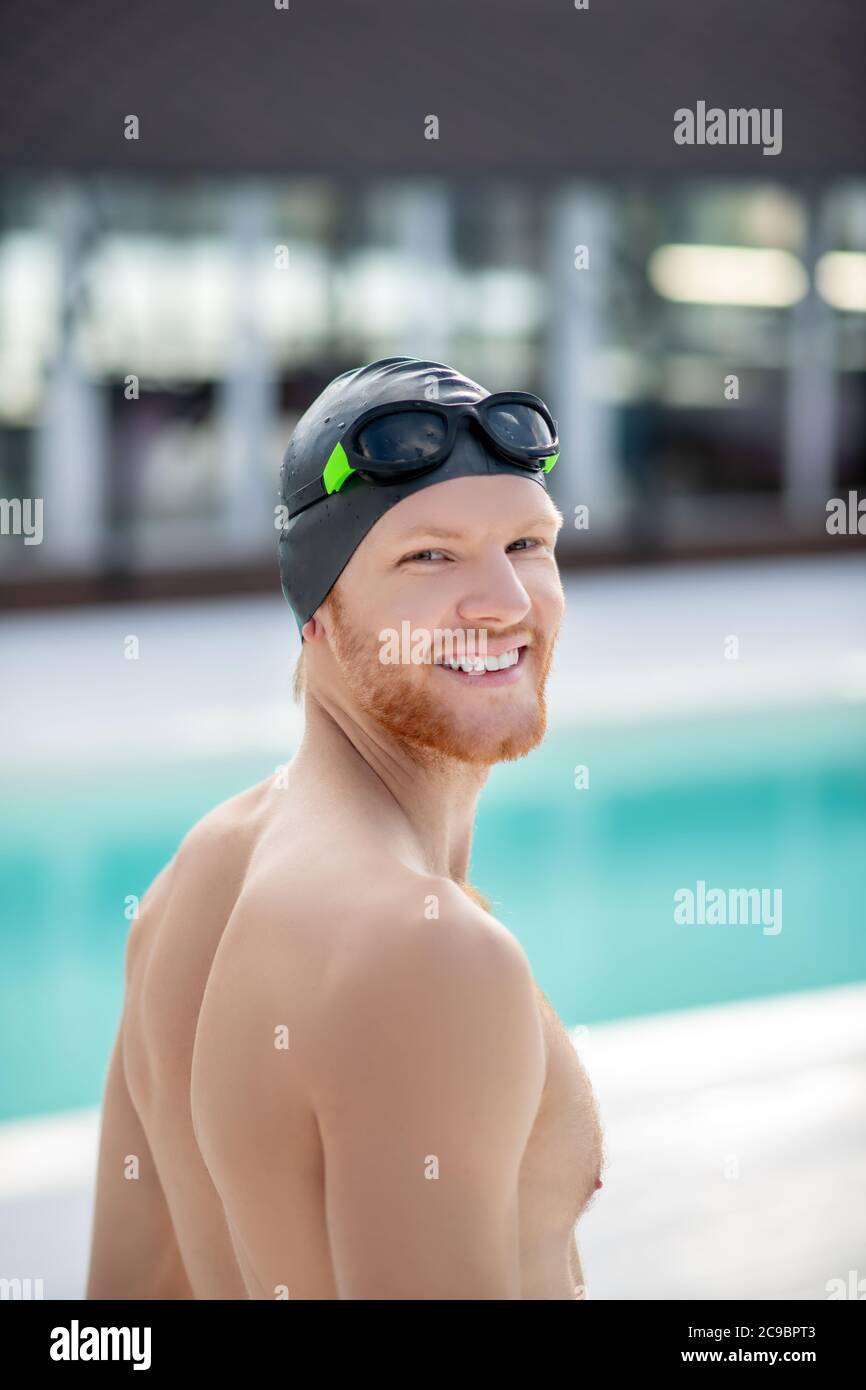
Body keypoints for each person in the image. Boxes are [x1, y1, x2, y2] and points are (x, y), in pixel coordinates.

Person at [86, 356, 605, 1301]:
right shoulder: (428, 955)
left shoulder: (192, 881)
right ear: (317, 609)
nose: (507, 602)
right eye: (429, 556)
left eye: (528, 544)